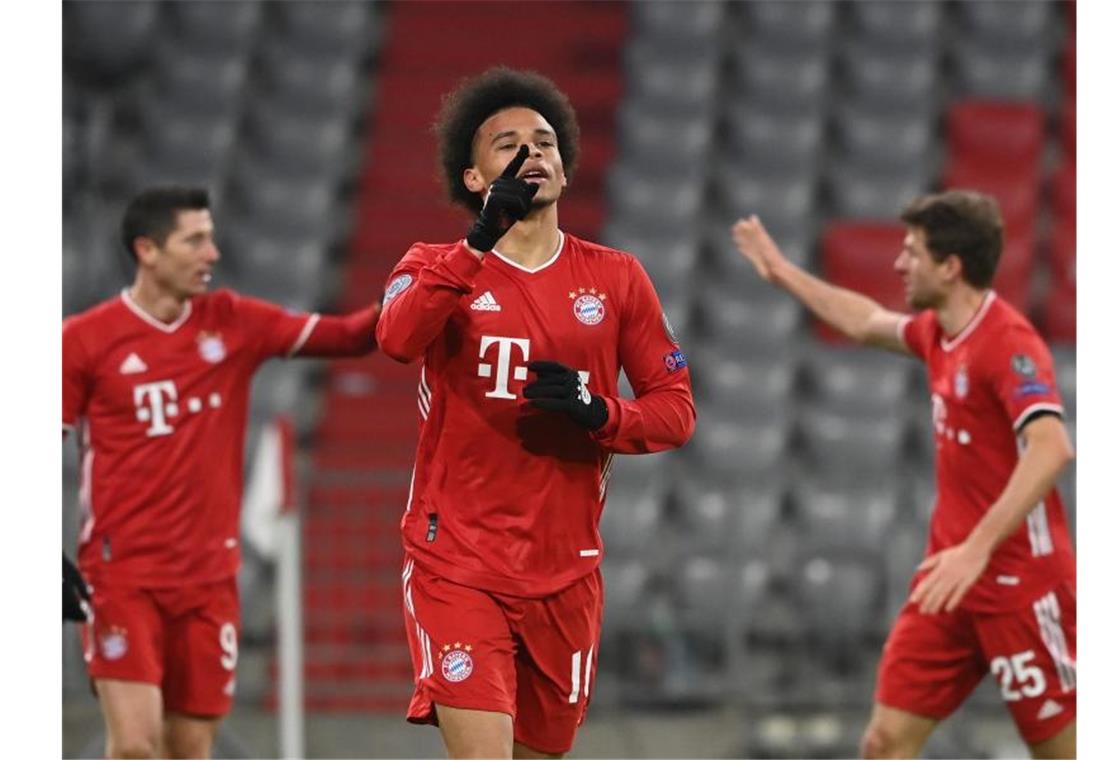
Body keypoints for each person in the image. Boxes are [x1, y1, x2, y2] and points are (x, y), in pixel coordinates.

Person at [377, 67, 696, 759]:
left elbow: (675, 411)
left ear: (565, 162)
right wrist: (479, 242)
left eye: (546, 141)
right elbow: (397, 337)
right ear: (472, 178)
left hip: (566, 572)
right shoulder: (433, 264)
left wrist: (598, 413)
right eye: (509, 144)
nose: (533, 154)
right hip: (456, 561)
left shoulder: (616, 277)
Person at [732, 190, 1076, 759]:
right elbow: (865, 320)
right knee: (885, 742)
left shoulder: (1009, 344)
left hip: (1022, 587)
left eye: (912, 252)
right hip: (949, 583)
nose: (898, 263)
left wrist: (978, 550)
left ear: (951, 266)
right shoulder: (939, 334)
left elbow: (1051, 447)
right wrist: (784, 273)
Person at [62, 186, 380, 759]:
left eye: (211, 237)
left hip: (208, 582)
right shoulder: (84, 340)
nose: (212, 253)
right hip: (121, 576)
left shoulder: (233, 321)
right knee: (135, 746)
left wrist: (437, 279)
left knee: (188, 748)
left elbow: (352, 335)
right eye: (195, 240)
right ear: (148, 251)